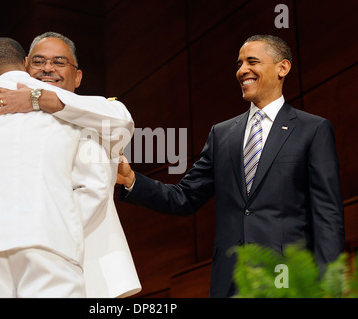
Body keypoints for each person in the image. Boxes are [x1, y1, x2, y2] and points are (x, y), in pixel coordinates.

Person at [117, 34, 345, 298]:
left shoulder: (313, 129)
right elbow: (184, 198)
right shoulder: (221, 134)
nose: (242, 70)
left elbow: (328, 216)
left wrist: (331, 287)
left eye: (252, 61)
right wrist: (132, 180)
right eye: (239, 64)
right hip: (230, 283)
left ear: (283, 68)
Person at [0, 37, 133, 297]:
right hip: (43, 243)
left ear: (78, 77)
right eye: (38, 61)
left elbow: (94, 188)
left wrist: (39, 99)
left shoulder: (83, 112)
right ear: (24, 65)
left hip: (67, 246)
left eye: (59, 62)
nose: (47, 68)